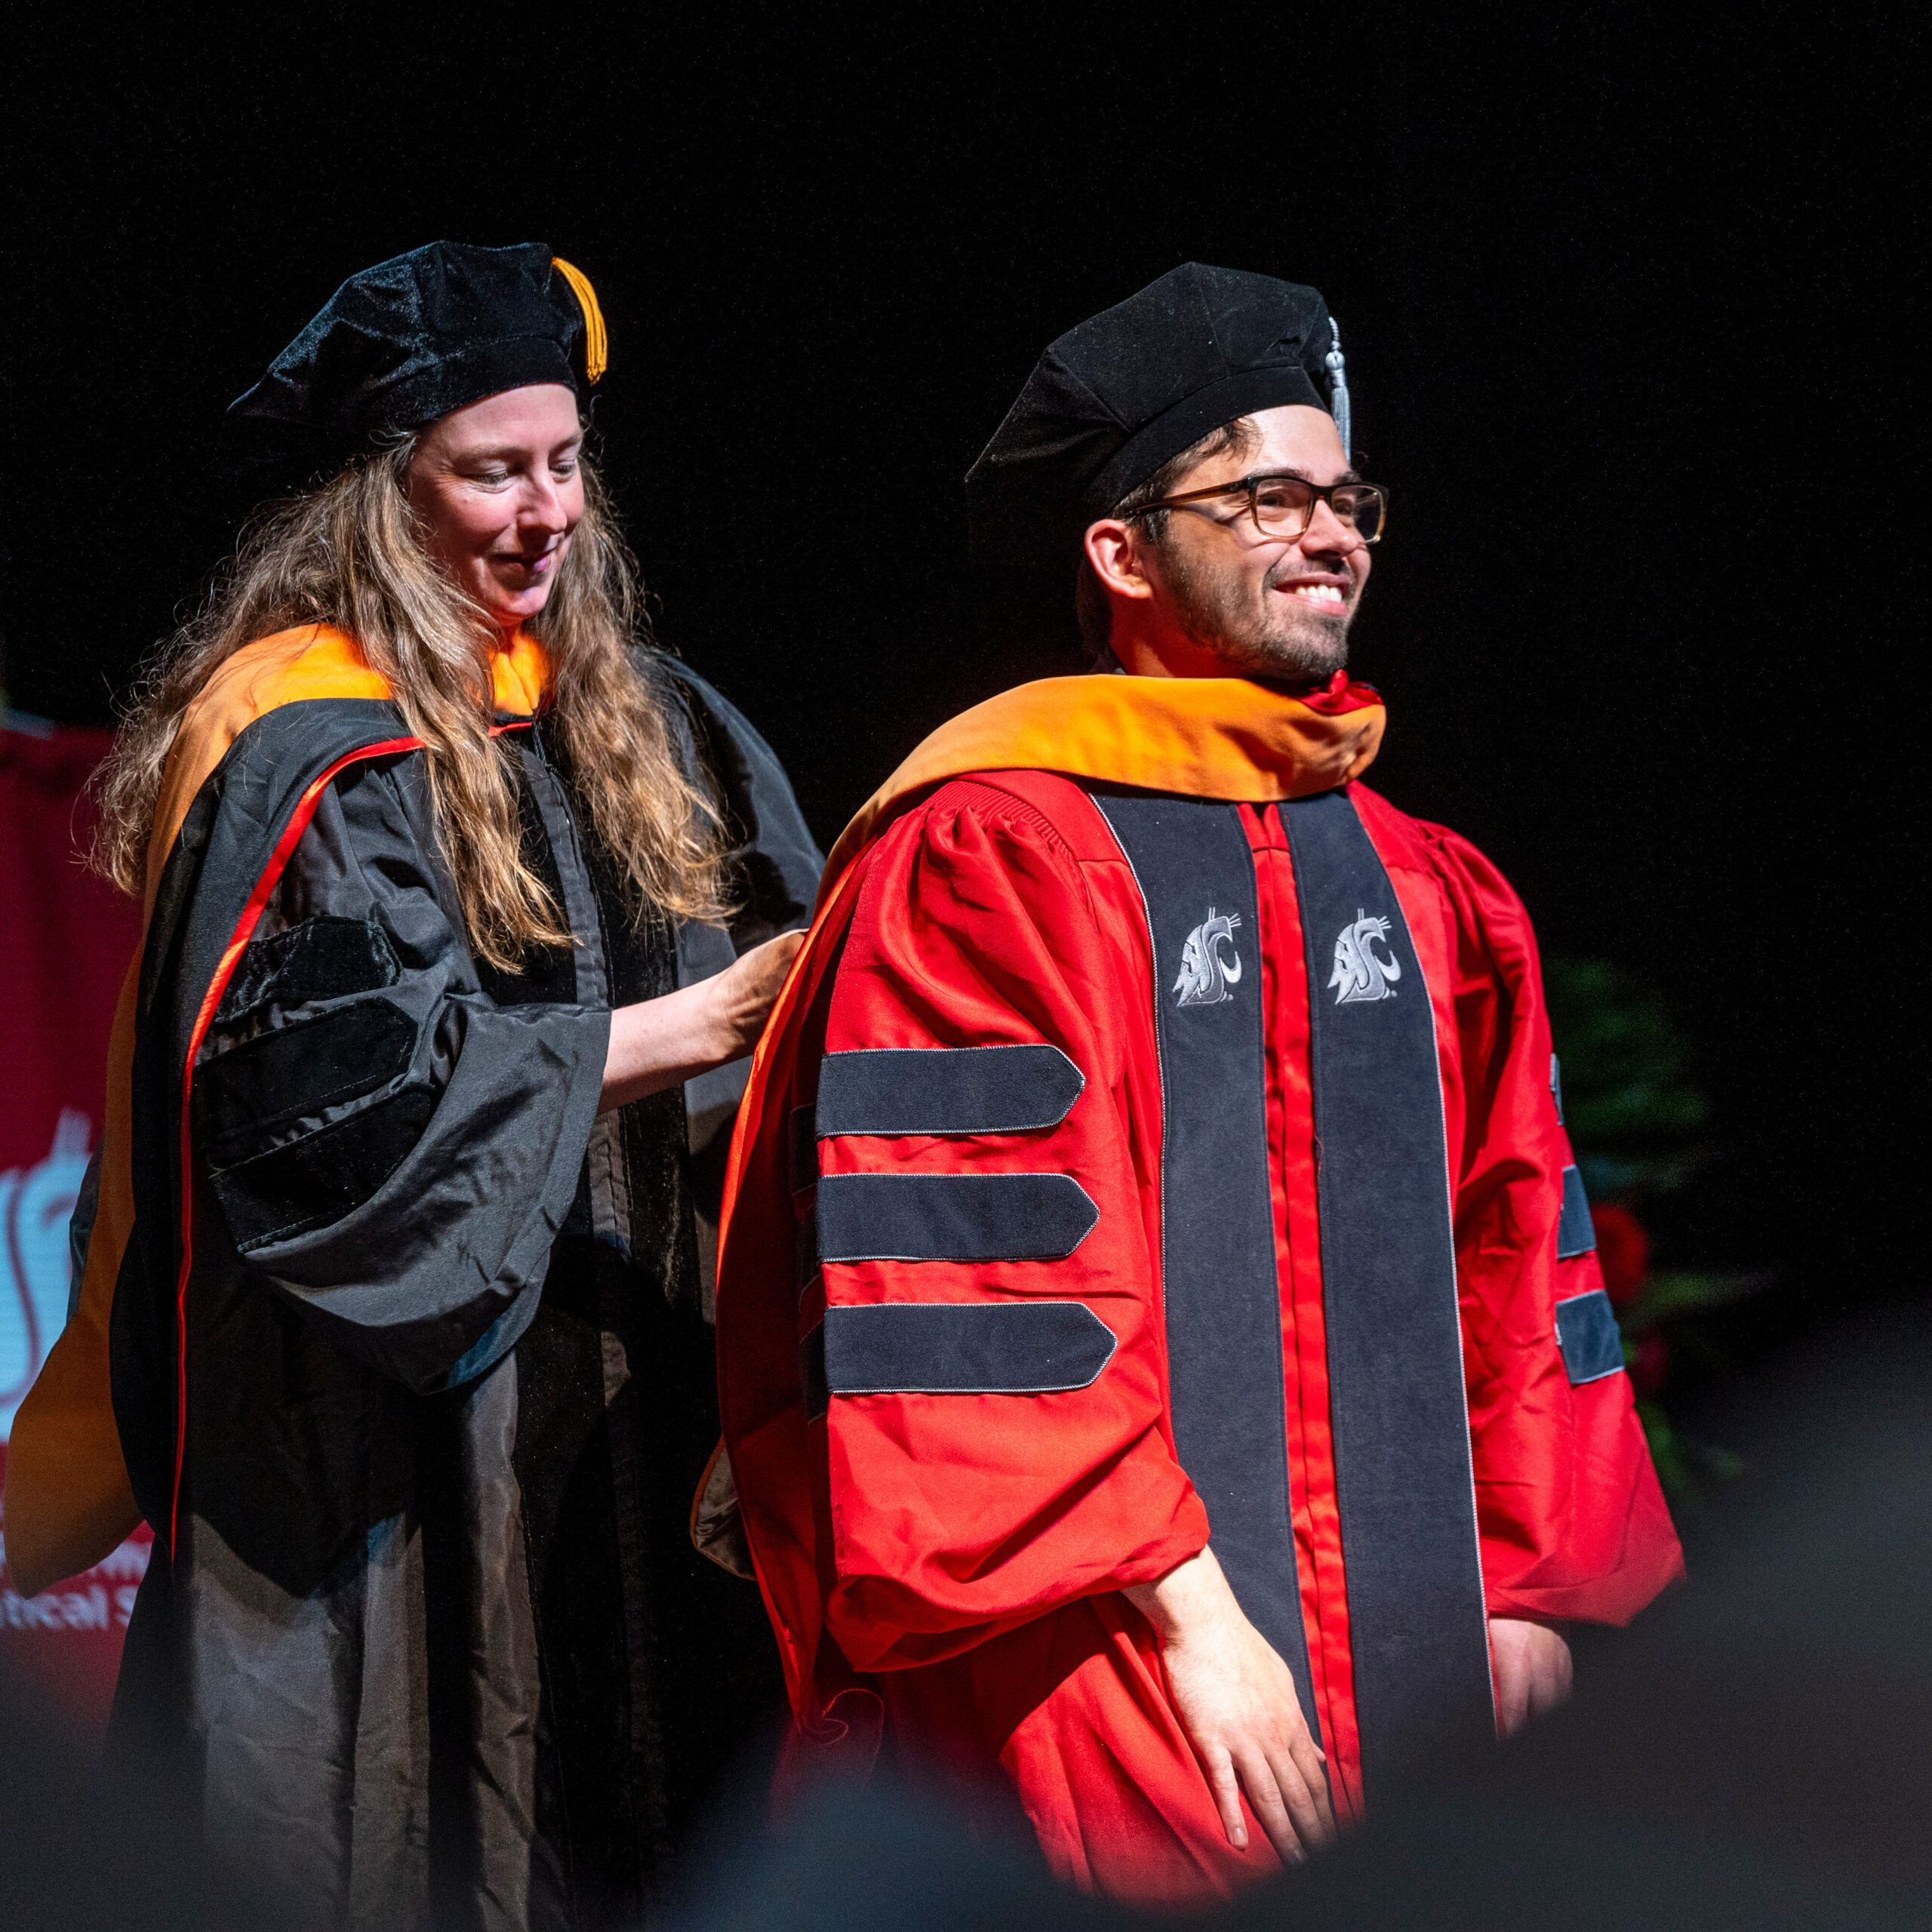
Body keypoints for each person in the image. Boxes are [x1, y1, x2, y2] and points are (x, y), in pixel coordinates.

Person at [712, 263, 1684, 1906]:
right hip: (1117, 1647)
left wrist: (1527, 1591)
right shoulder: (993, 850)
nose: (1330, 536)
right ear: (1120, 549)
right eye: (1266, 497)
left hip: (1425, 1644)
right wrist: (1194, 1624)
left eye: (1344, 497)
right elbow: (978, 1287)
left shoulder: (1428, 883)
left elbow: (1522, 1257)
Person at [3, 242, 822, 1929]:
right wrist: (692, 1026)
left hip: (641, 1429)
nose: (544, 513)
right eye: (489, 470)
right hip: (384, 1449)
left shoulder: (658, 725)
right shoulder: (301, 743)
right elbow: (336, 1115)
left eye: (566, 461)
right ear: (384, 495)